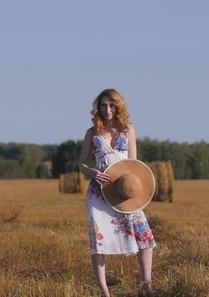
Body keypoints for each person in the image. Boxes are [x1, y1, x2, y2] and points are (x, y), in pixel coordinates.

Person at [79, 88, 156, 297]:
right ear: (99, 107)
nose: (107, 109)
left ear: (118, 106)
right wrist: (92, 171)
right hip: (98, 192)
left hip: (124, 191)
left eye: (111, 105)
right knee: (99, 242)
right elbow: (82, 163)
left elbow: (134, 163)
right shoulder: (92, 132)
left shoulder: (128, 129)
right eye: (103, 105)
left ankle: (146, 285)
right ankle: (105, 292)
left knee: (144, 235)